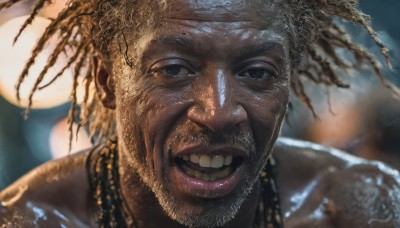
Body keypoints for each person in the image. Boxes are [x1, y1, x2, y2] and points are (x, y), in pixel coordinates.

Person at [0, 0, 399, 227]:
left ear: (289, 82)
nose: (219, 112)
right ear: (107, 80)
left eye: (257, 72)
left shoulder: (359, 208)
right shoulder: (29, 219)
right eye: (174, 69)